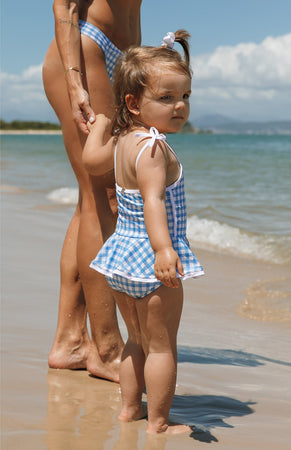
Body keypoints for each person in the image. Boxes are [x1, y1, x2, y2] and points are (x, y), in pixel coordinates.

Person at [82, 30, 204, 434]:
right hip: (151, 262)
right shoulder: (152, 148)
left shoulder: (123, 141)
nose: (180, 106)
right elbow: (154, 202)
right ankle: (158, 424)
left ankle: (129, 410)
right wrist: (164, 250)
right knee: (162, 345)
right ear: (134, 103)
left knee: (136, 340)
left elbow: (91, 161)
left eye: (184, 96)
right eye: (166, 98)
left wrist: (100, 125)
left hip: (121, 258)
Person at [42, 0, 142, 382]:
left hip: (120, 55)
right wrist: (74, 81)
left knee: (91, 201)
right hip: (85, 51)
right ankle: (107, 348)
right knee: (102, 199)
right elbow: (64, 4)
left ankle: (70, 341)